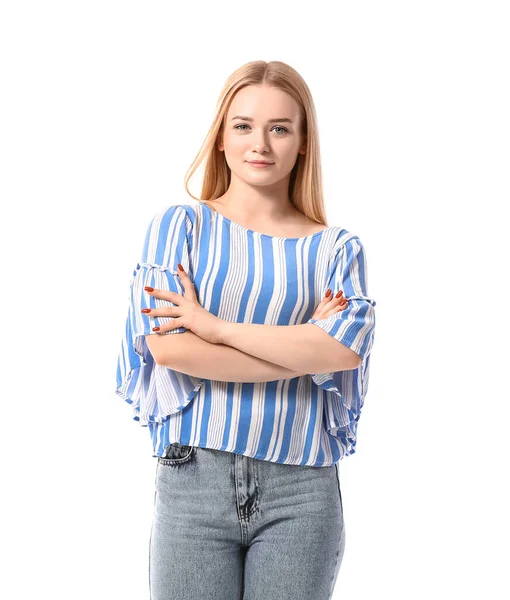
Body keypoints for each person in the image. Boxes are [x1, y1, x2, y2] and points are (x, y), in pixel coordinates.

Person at [115, 60, 376, 600]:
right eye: (243, 125)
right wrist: (304, 348)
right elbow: (170, 351)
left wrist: (212, 328)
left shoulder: (336, 249)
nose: (261, 143)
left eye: (280, 128)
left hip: (301, 491)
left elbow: (343, 353)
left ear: (303, 142)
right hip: (194, 480)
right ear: (221, 136)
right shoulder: (179, 227)